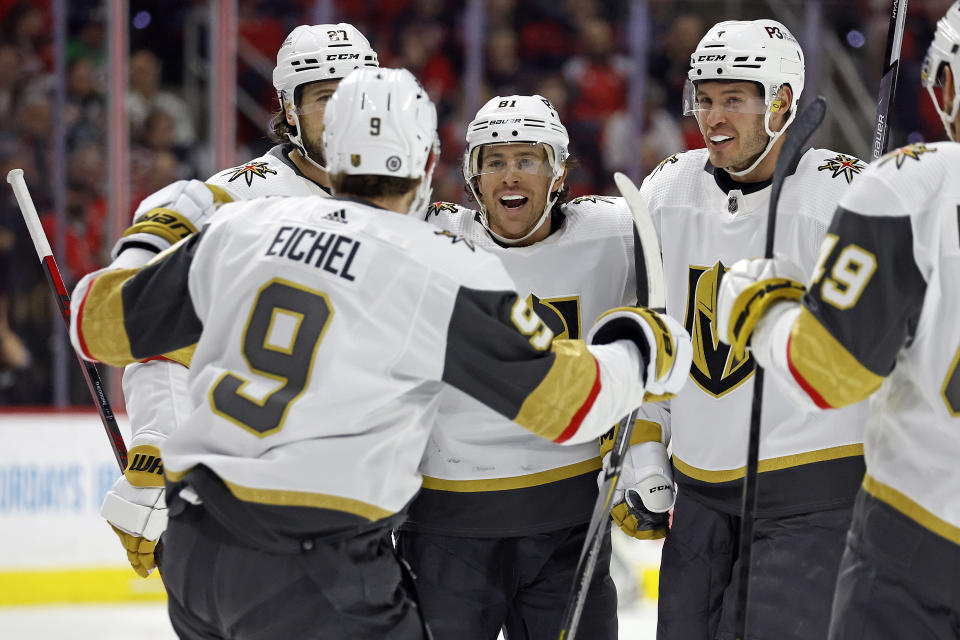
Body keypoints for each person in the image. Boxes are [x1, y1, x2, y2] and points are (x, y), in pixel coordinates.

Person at [67, 67, 690, 639]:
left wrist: (155, 230)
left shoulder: (242, 229)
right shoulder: (436, 265)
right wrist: (638, 347)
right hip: (317, 565)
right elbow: (566, 406)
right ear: (431, 160)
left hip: (199, 553)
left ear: (328, 153)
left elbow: (97, 325)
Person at [399, 94, 686, 639]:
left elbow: (662, 341)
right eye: (495, 161)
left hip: (568, 528)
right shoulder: (424, 240)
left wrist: (646, 449)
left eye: (527, 160)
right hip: (444, 529)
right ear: (473, 177)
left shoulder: (617, 233)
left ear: (557, 173)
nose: (511, 175)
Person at [97, 22, 378, 580]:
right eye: (326, 97)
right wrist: (158, 443)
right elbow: (159, 331)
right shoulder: (233, 202)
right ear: (289, 110)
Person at [716, 4, 960, 638]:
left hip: (921, 544)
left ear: (947, 86)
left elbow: (829, 374)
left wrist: (760, 305)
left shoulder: (916, 187)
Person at [634, 19, 870, 640]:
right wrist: (643, 444)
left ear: (784, 102)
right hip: (701, 498)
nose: (713, 116)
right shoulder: (668, 191)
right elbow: (653, 333)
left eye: (734, 99)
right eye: (704, 98)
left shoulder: (840, 196)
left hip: (811, 496)